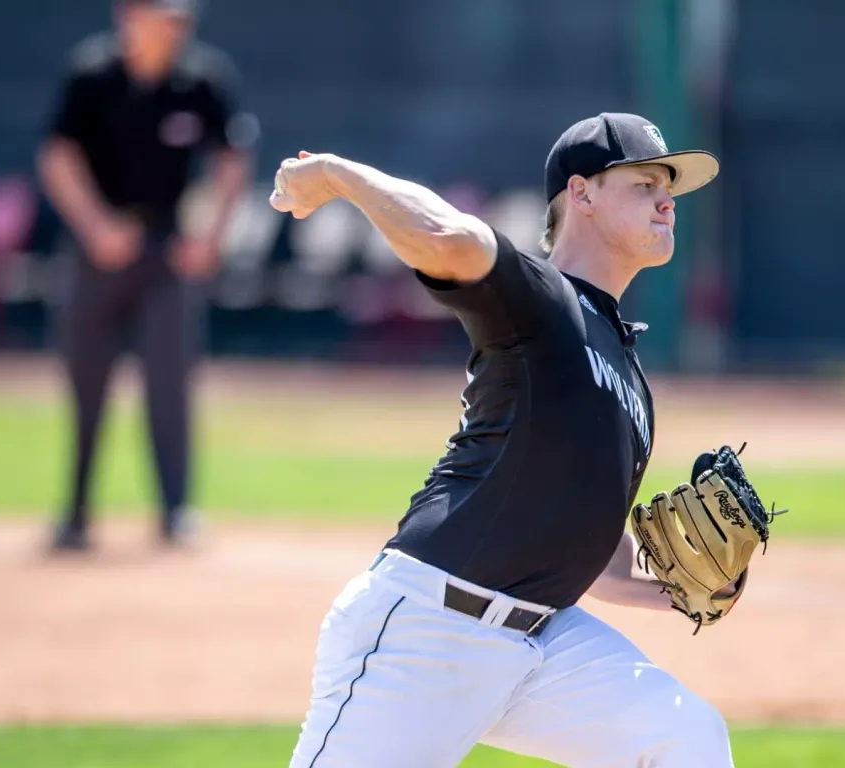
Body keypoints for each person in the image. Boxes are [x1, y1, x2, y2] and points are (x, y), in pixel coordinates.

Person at [269, 113, 731, 767]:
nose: (667, 201)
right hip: (430, 632)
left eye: (671, 189)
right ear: (582, 194)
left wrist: (682, 587)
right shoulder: (539, 298)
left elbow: (596, 559)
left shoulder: (626, 369)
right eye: (645, 182)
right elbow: (445, 236)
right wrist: (337, 175)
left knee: (684, 739)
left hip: (543, 644)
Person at [37, 0, 253, 550]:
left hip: (165, 250)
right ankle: (76, 513)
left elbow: (232, 160)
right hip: (98, 252)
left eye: (180, 20)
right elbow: (58, 156)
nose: (173, 28)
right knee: (87, 383)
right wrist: (97, 228)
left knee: (170, 383)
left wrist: (208, 234)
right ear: (127, 16)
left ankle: (175, 511)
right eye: (162, 16)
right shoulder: (90, 74)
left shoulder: (201, 78)